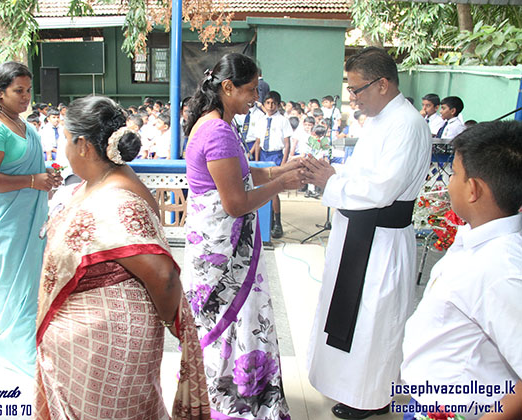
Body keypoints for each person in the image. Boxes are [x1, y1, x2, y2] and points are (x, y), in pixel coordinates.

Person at [33, 95, 210, 420]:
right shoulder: (98, 182)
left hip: (105, 346)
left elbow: (163, 276)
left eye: (65, 140)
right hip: (87, 341)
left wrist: (170, 322)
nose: (64, 148)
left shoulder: (117, 200)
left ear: (84, 144)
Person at [303, 47, 431, 420]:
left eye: (358, 90)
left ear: (384, 84)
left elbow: (381, 189)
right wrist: (334, 174)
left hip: (382, 240)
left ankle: (370, 397)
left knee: (375, 321)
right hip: (360, 232)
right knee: (354, 317)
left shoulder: (407, 124)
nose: (354, 98)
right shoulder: (380, 120)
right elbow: (364, 176)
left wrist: (332, 182)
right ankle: (352, 387)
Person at [183, 53, 310, 420]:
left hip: (220, 252)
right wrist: (281, 184)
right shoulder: (218, 131)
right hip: (223, 259)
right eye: (251, 90)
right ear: (227, 87)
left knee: (237, 326)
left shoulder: (218, 124)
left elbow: (240, 171)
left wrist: (280, 168)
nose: (256, 97)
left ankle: (236, 395)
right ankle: (234, 403)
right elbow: (235, 203)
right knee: (234, 325)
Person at [401, 121, 522, 420]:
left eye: (454, 174)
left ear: (473, 189)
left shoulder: (502, 269)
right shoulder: (476, 239)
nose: (448, 183)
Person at [0, 61, 62, 377]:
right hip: (3, 223)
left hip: (29, 218)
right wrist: (32, 181)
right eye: (18, 91)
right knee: (11, 285)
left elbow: (29, 172)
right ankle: (12, 350)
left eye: (28, 90)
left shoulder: (26, 126)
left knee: (32, 286)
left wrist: (46, 181)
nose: (25, 97)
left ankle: (26, 344)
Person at [252, 90, 293, 238]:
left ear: (278, 105)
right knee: (261, 189)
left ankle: (277, 222)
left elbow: (287, 144)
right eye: (267, 103)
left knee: (273, 190)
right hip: (263, 154)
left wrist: (283, 163)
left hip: (276, 155)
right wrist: (256, 161)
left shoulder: (283, 120)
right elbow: (257, 142)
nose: (270, 106)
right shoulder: (261, 120)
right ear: (263, 104)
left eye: (273, 103)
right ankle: (265, 221)